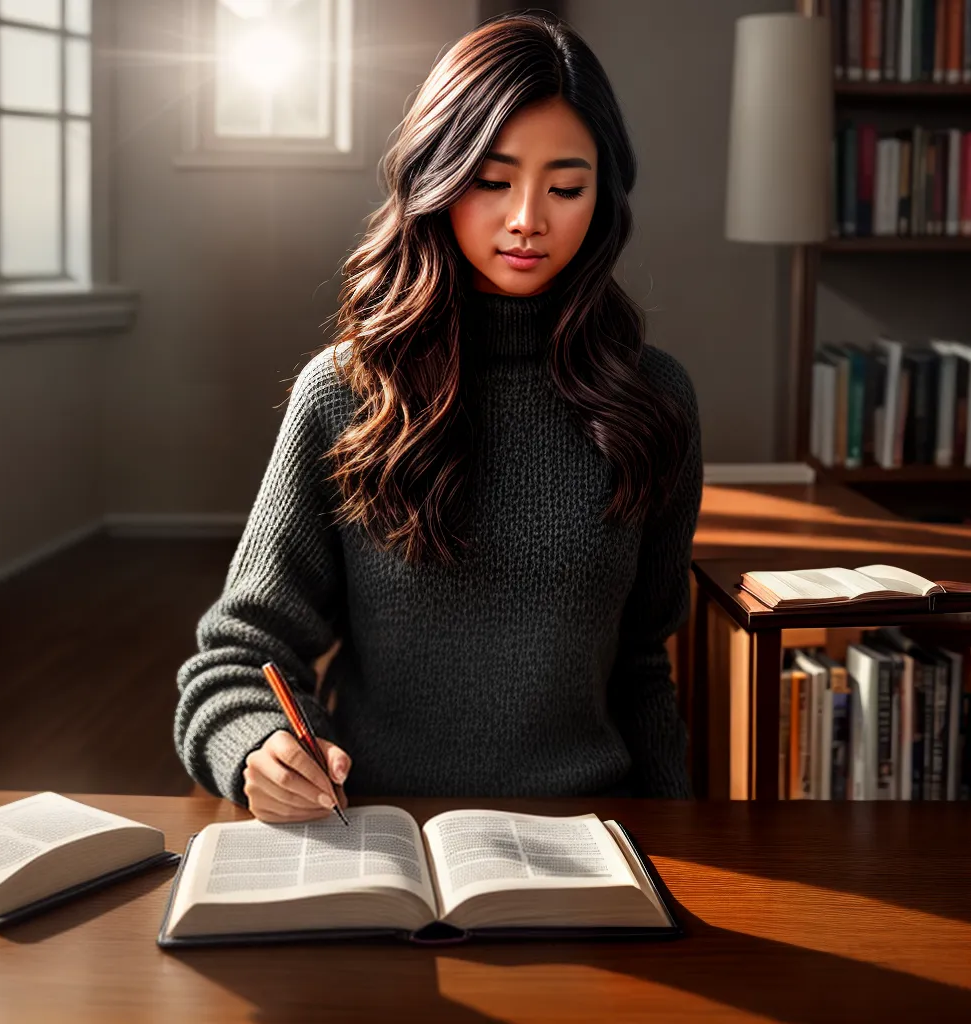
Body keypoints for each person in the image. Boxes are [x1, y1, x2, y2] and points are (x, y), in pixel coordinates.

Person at [174, 12, 703, 822]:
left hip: (588, 838)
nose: (529, 217)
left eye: (566, 187)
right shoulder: (344, 392)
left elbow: (641, 666)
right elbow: (237, 658)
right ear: (437, 177)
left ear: (603, 198)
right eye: (493, 181)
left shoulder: (653, 400)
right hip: (377, 834)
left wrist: (689, 846)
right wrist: (258, 746)